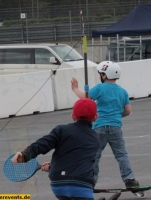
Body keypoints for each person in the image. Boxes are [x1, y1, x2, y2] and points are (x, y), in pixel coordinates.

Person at [12, 98, 100, 200]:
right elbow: (80, 161)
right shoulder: (95, 139)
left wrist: (25, 155)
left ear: (73, 116)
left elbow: (43, 143)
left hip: (58, 184)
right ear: (96, 117)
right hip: (81, 185)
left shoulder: (61, 130)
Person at [71, 61, 139, 189]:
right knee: (121, 155)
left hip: (99, 127)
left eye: (100, 74)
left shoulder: (100, 88)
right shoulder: (122, 91)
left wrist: (75, 89)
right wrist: (118, 116)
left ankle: (90, 181)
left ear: (104, 75)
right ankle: (129, 179)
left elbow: (85, 99)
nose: (99, 76)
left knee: (94, 156)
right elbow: (128, 111)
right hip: (115, 128)